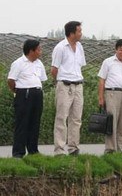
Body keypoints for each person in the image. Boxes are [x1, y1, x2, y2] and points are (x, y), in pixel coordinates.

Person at [51, 21, 86, 155]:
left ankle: (73, 148)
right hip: (64, 85)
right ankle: (59, 149)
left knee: (76, 118)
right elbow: (54, 70)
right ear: (71, 33)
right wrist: (60, 84)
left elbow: (80, 65)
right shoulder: (60, 47)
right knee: (61, 117)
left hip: (78, 84)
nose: (81, 33)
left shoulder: (80, 47)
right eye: (79, 31)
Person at [7, 39, 47, 158]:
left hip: (37, 93)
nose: (41, 52)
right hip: (24, 94)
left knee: (35, 122)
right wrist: (17, 91)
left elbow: (42, 79)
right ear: (31, 51)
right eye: (39, 49)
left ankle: (33, 150)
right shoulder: (18, 63)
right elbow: (10, 80)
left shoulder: (39, 64)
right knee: (22, 123)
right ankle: (18, 152)